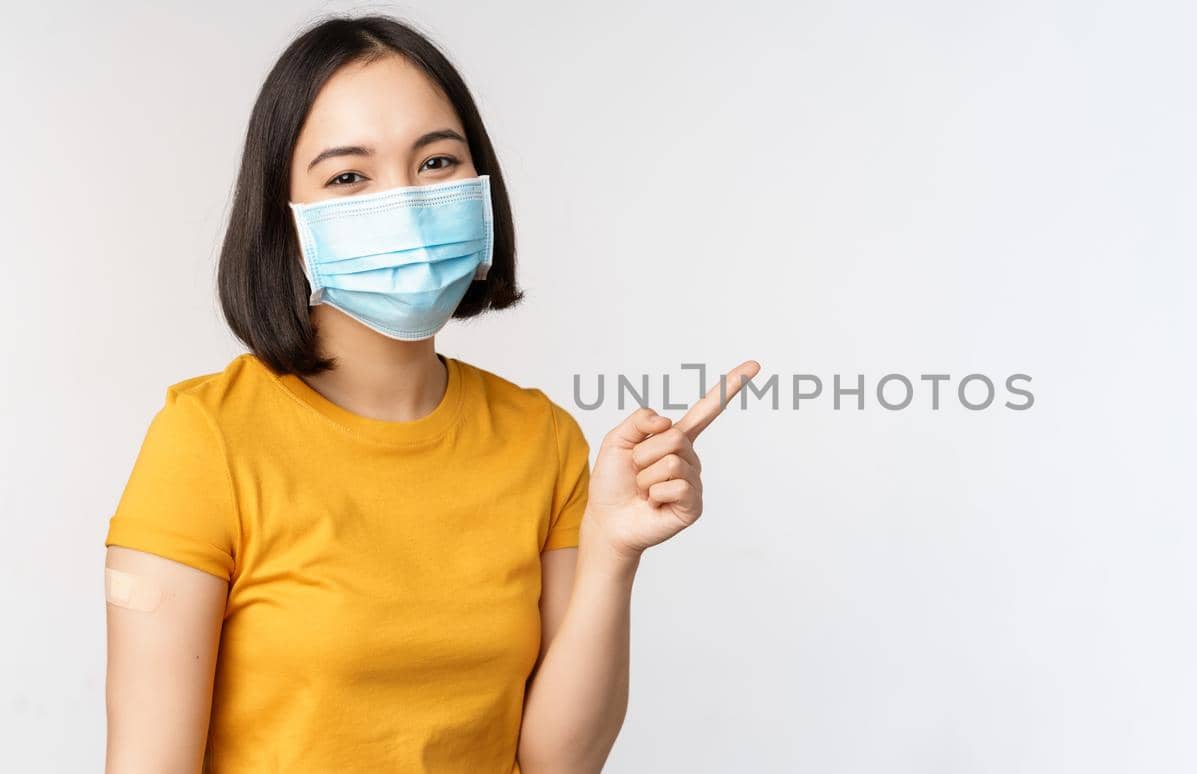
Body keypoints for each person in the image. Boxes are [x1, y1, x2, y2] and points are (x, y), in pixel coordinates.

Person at [102, 14, 758, 773]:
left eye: (437, 162)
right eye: (349, 176)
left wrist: (613, 552)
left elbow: (558, 762)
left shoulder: (541, 439)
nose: (407, 204)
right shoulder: (206, 440)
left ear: (481, 187)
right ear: (285, 220)